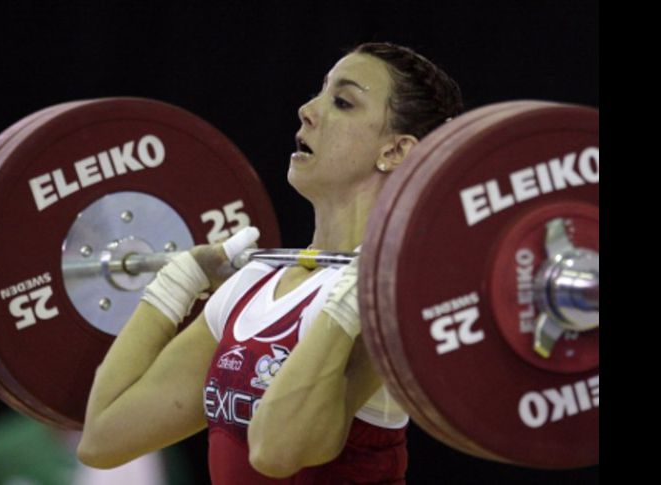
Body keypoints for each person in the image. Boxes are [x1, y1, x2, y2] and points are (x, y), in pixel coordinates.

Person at [77, 42, 463, 484]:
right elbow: (103, 438)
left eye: (342, 102)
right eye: (319, 93)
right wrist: (180, 280)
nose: (307, 110)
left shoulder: (390, 301)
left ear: (396, 152)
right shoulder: (252, 285)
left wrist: (354, 298)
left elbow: (276, 451)